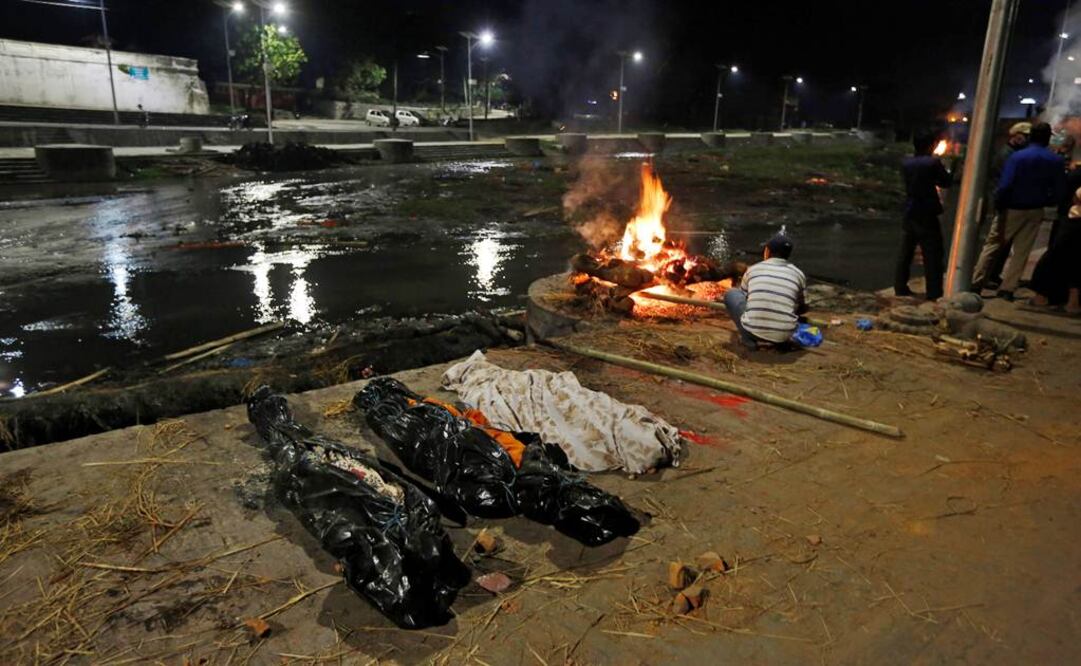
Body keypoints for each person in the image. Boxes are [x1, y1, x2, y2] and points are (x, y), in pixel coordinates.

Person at [971, 122, 1066, 301]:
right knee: (1022, 251)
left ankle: (976, 283)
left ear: (1030, 137)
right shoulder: (1055, 160)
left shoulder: (1018, 157)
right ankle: (1007, 289)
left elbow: (1005, 184)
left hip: (1012, 208)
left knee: (992, 246)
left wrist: (999, 205)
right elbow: (1060, 190)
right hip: (1036, 209)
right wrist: (1047, 200)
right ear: (1047, 138)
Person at [895, 130, 954, 300]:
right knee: (933, 254)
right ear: (931, 145)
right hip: (926, 212)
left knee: (905, 252)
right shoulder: (932, 163)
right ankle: (934, 292)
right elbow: (946, 182)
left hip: (909, 210)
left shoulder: (906, 163)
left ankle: (900, 287)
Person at [723, 233, 807, 350]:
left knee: (731, 294)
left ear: (767, 252)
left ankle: (748, 340)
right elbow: (803, 307)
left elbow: (744, 297)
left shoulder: (753, 269)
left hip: (752, 331)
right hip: (785, 335)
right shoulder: (799, 274)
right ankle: (779, 337)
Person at [973, 122, 1031, 291]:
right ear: (1016, 135)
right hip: (1005, 202)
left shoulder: (1012, 153)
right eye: (1025, 136)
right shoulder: (1007, 154)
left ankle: (991, 275)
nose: (1027, 139)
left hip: (1006, 201)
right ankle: (984, 277)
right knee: (997, 242)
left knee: (1002, 242)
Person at [1030, 185, 1081, 315]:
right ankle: (1071, 302)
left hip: (1073, 223)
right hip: (1073, 221)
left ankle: (1043, 297)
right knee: (1073, 264)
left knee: (1053, 259)